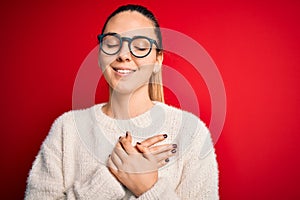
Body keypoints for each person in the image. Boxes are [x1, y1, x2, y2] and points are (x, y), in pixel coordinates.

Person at [25, 4, 219, 200]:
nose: (124, 55)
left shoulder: (191, 132)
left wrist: (148, 187)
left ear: (157, 60)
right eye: (111, 43)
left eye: (140, 46)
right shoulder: (66, 128)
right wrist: (110, 177)